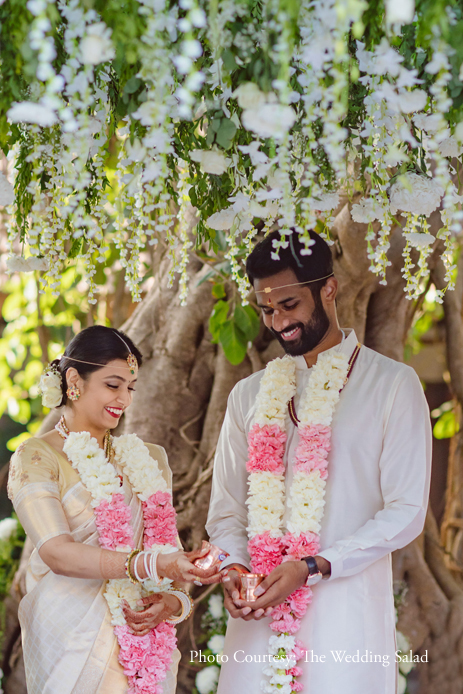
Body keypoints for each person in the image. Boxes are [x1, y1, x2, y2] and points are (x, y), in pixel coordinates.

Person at [206, 229, 432, 693]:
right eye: (266, 310)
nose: (277, 322)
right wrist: (233, 569)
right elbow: (227, 511)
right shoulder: (248, 397)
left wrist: (314, 566)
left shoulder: (391, 385)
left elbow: (407, 511)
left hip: (345, 622)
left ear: (328, 288)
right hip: (258, 623)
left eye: (289, 305)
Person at [8, 325, 221, 694]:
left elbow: (167, 555)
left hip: (144, 637)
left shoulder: (149, 459)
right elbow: (57, 553)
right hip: (72, 639)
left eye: (131, 387)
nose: (124, 399)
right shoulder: (37, 456)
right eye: (112, 384)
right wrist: (150, 564)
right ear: (74, 380)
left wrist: (173, 600)